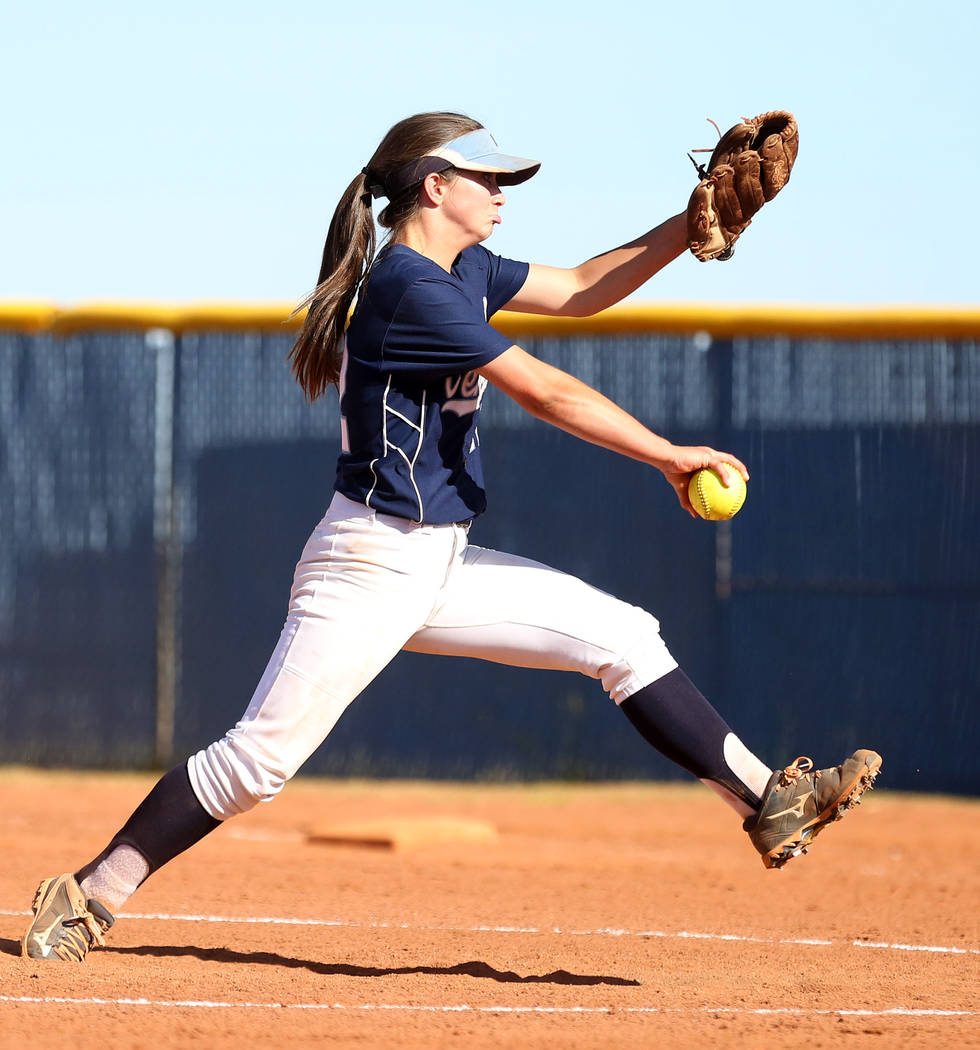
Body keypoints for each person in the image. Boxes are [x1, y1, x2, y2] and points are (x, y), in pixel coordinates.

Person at [23, 112, 880, 963]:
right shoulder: (410, 286)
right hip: (367, 564)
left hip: (441, 561)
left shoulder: (462, 268)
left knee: (624, 637)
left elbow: (583, 286)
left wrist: (689, 226)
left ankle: (768, 799)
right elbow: (542, 389)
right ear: (435, 187)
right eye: (489, 180)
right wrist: (667, 455)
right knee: (256, 765)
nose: (502, 195)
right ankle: (90, 891)